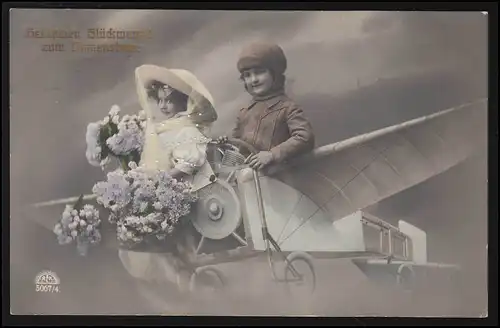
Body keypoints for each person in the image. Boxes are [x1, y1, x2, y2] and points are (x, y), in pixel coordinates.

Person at [118, 64, 218, 294]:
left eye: (169, 101)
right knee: (146, 222)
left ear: (183, 102)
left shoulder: (187, 129)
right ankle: (174, 275)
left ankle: (187, 274)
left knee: (171, 229)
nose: (163, 106)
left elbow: (189, 164)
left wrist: (163, 179)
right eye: (160, 100)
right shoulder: (161, 129)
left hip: (191, 189)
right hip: (169, 188)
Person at [218, 41, 315, 171]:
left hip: (283, 180)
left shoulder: (288, 108)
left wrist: (272, 154)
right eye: (247, 75)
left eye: (259, 72)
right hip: (252, 182)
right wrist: (227, 145)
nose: (253, 80)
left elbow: (304, 138)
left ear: (274, 74)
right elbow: (239, 150)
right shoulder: (244, 113)